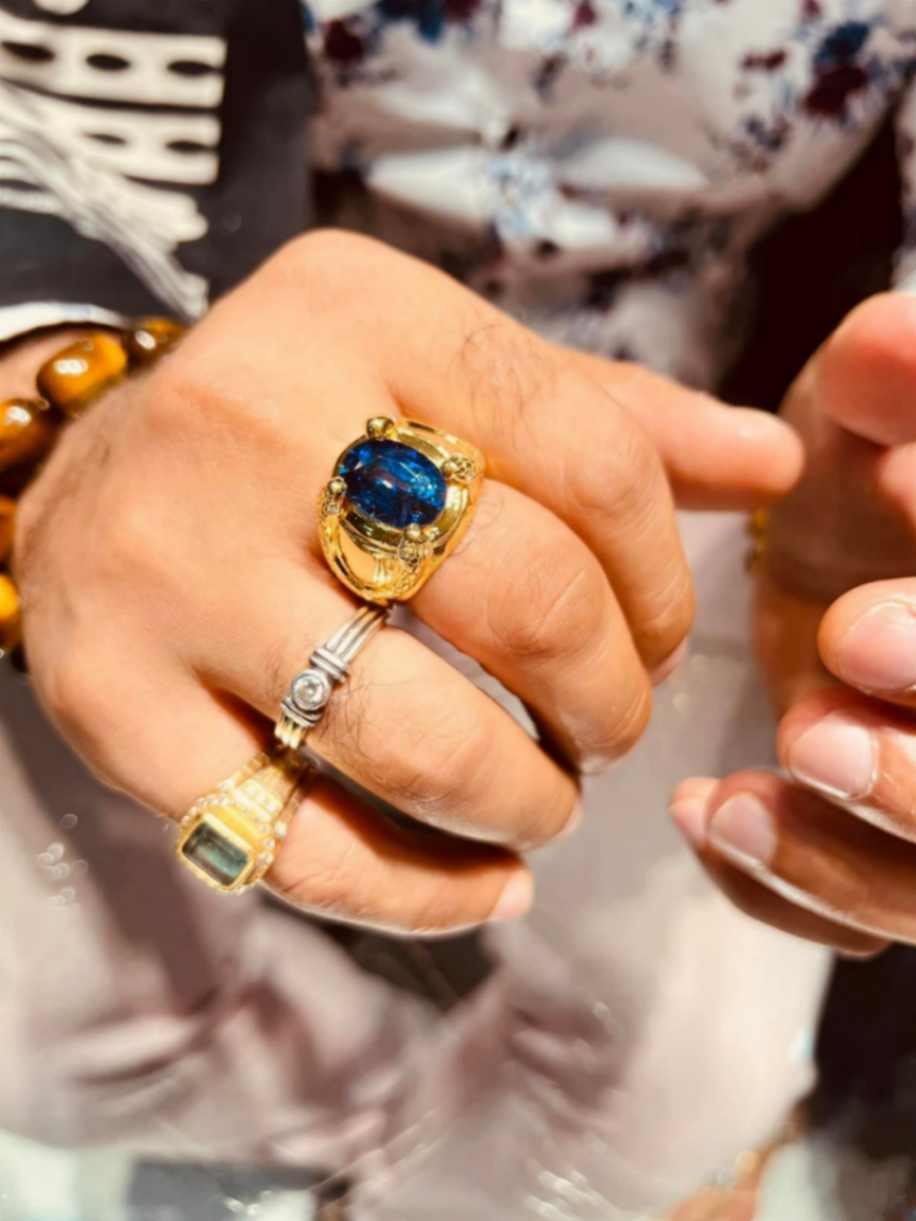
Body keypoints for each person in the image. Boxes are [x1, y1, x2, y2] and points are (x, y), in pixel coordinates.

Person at [2, 0, 916, 1215]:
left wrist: (886, 440)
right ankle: (390, 1149)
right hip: (182, 365)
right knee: (49, 1034)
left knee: (676, 1087)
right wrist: (49, 393)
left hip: (700, 447)